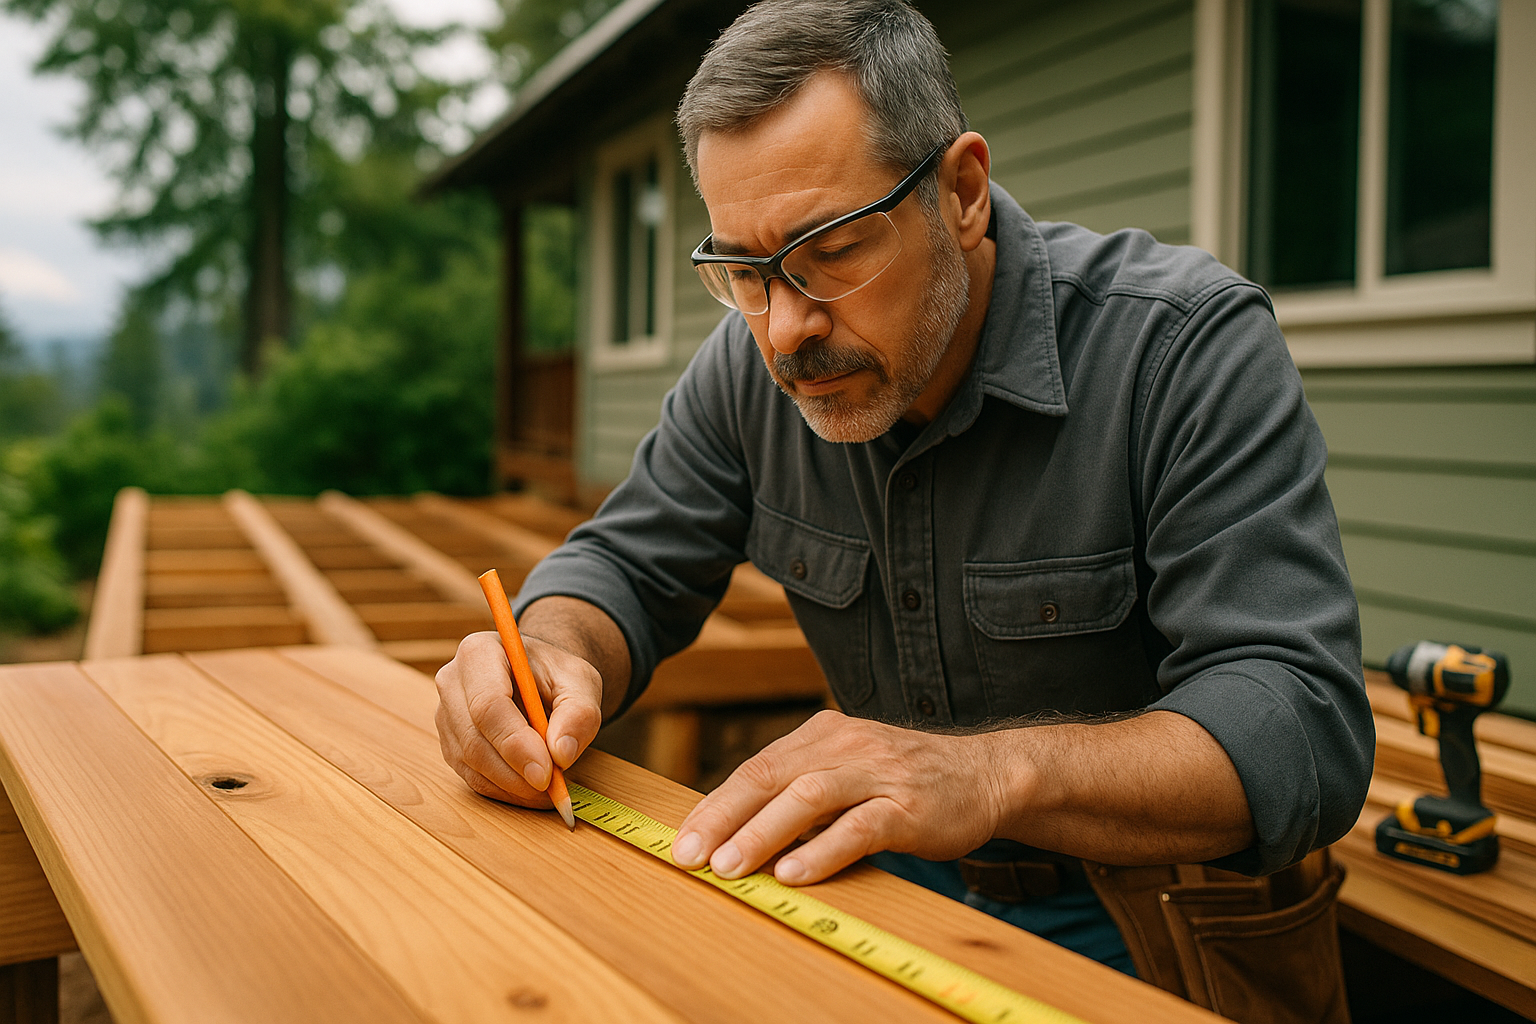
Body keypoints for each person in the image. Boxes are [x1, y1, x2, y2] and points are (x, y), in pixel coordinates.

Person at [434, 0, 1373, 982]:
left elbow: (1300, 723)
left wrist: (990, 773)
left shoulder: (1180, 347)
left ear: (962, 191)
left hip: (1172, 913)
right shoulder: (750, 365)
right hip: (885, 879)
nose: (785, 328)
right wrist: (549, 650)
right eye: (744, 271)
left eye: (831, 252)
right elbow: (624, 561)